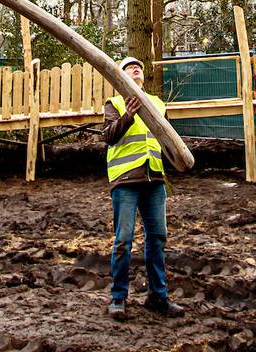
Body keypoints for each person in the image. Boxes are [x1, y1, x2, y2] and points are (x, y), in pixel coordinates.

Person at [103, 56, 183, 319]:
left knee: (158, 238)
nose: (135, 68)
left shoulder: (158, 104)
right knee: (124, 240)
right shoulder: (114, 104)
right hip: (126, 181)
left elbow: (167, 140)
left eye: (138, 66)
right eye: (128, 67)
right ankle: (118, 299)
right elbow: (109, 137)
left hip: (155, 180)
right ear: (121, 77)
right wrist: (128, 115)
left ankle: (158, 297)